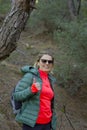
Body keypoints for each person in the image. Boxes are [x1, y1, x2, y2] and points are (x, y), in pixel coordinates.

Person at [13, 50, 57, 130]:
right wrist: (32, 90)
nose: (47, 63)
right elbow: (16, 96)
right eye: (44, 61)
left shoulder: (50, 80)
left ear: (52, 65)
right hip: (33, 123)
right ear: (38, 62)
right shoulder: (30, 76)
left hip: (47, 123)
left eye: (50, 61)